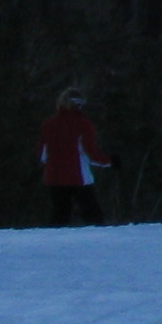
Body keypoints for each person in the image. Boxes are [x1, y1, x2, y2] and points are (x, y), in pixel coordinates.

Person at [38, 84, 108, 224]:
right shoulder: (83, 124)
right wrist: (109, 161)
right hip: (78, 177)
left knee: (59, 215)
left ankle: (54, 238)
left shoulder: (49, 124)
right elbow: (91, 153)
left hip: (54, 176)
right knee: (94, 216)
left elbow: (43, 155)